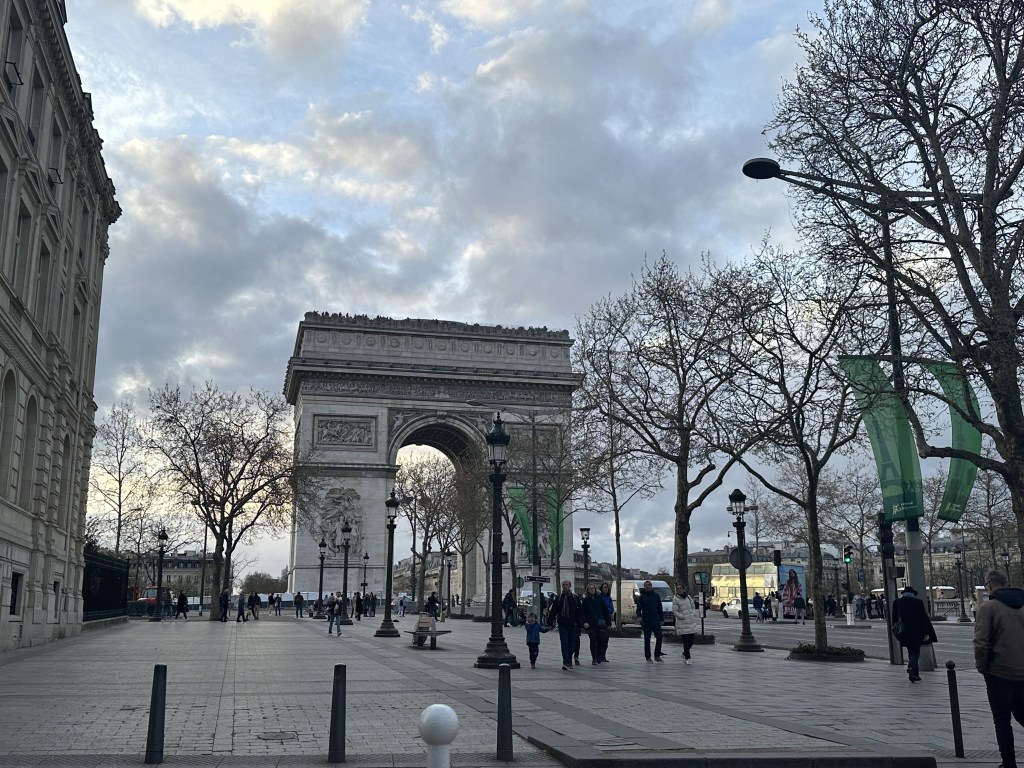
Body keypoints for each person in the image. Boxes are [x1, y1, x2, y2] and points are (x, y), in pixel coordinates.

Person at [974, 569, 1024, 768]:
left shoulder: (989, 608)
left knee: (1002, 721)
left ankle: (1009, 763)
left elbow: (981, 641)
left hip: (999, 672)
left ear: (989, 585)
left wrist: (982, 666)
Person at [891, 585, 937, 682]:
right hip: (917, 631)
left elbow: (894, 619)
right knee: (915, 651)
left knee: (910, 651)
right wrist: (926, 632)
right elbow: (923, 618)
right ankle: (912, 668)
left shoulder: (897, 602)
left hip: (903, 631)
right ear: (913, 594)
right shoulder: (918, 602)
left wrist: (895, 630)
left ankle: (914, 673)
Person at [547, 579, 583, 670]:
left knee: (571, 644)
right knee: (564, 643)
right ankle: (566, 661)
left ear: (570, 586)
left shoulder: (575, 597)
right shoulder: (559, 598)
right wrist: (550, 622)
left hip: (572, 624)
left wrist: (580, 623)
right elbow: (554, 610)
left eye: (566, 585)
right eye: (563, 585)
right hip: (562, 624)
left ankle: (569, 660)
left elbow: (579, 612)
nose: (565, 586)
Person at [581, 583, 610, 664]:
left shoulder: (600, 599)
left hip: (600, 623)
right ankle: (594, 658)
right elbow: (582, 613)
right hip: (591, 624)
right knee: (593, 640)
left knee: (601, 640)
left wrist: (608, 622)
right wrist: (584, 622)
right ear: (587, 590)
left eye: (593, 588)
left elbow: (605, 611)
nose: (592, 590)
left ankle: (599, 656)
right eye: (590, 589)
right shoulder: (585, 600)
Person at [636, 579, 665, 662]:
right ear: (644, 587)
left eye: (648, 585)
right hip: (646, 620)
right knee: (647, 639)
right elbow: (639, 608)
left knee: (659, 637)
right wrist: (639, 616)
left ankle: (657, 655)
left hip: (656, 620)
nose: (647, 586)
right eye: (646, 585)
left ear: (651, 586)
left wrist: (661, 619)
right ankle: (648, 656)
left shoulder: (656, 596)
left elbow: (660, 608)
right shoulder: (641, 597)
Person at [673, 584, 699, 664]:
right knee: (685, 641)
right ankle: (688, 658)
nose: (679, 589)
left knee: (691, 640)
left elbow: (692, 606)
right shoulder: (675, 599)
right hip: (682, 623)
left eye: (680, 588)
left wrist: (693, 613)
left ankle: (684, 653)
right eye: (678, 588)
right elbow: (675, 611)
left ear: (683, 589)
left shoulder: (688, 597)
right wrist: (682, 616)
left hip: (690, 621)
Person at [598, 583, 615, 662]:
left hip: (607, 620)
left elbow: (611, 609)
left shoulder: (609, 598)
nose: (606, 589)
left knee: (606, 640)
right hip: (600, 620)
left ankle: (603, 656)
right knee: (600, 640)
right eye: (604, 587)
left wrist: (607, 611)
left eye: (607, 588)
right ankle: (598, 655)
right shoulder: (599, 597)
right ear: (601, 588)